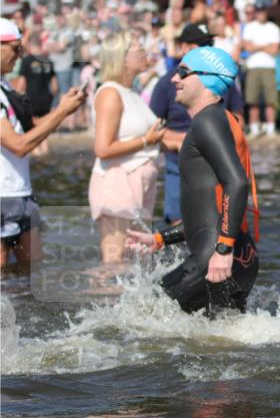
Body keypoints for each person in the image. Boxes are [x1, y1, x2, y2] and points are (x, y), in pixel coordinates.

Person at [127, 47, 259, 315]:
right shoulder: (220, 119)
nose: (175, 79)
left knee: (145, 315)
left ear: (209, 78)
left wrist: (222, 250)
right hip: (240, 257)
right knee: (217, 347)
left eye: (184, 73)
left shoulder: (207, 121)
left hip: (217, 257)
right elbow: (209, 209)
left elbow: (237, 182)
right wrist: (160, 238)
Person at [1, 18, 86, 271]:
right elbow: (19, 145)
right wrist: (62, 112)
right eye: (15, 49)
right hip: (3, 197)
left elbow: (33, 130)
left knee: (34, 273)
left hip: (21, 193)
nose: (20, 56)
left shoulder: (5, 86)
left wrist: (64, 109)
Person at [150, 24, 245, 224]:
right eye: (200, 45)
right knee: (178, 220)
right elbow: (151, 130)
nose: (207, 50)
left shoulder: (221, 81)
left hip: (216, 163)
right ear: (184, 47)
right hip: (177, 164)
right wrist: (190, 140)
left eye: (209, 44)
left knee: (215, 221)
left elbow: (238, 120)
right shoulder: (169, 82)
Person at [90, 31, 165, 263]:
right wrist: (145, 141)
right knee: (114, 261)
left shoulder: (131, 92)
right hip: (117, 180)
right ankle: (98, 300)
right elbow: (102, 148)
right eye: (139, 50)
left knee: (134, 261)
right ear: (121, 57)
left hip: (138, 181)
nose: (146, 53)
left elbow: (154, 135)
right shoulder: (110, 93)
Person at [241, 5, 280, 137]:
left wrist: (257, 46)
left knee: (271, 99)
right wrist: (266, 46)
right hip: (253, 67)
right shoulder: (249, 27)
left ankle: (271, 127)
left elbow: (275, 50)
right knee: (253, 99)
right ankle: (254, 128)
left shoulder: (273, 28)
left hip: (269, 67)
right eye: (258, 12)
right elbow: (247, 47)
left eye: (263, 12)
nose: (260, 15)